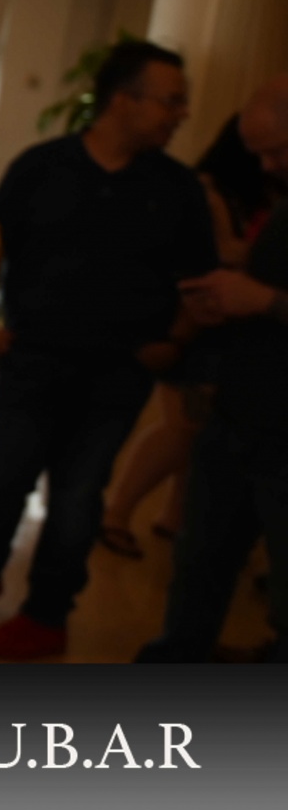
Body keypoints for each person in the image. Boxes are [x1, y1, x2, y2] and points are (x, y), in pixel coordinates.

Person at [0, 40, 219, 660]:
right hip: (32, 359)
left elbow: (201, 282)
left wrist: (174, 342)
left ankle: (46, 615)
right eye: (170, 101)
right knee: (3, 479)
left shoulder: (178, 189)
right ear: (123, 99)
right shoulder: (42, 167)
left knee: (78, 496)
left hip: (119, 374)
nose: (181, 114)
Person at [138, 76, 288, 662]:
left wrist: (264, 301)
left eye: (277, 152)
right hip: (241, 412)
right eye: (260, 155)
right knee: (200, 558)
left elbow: (271, 298)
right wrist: (226, 303)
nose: (269, 167)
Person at [98, 112, 285, 557]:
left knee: (197, 432)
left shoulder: (252, 195)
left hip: (225, 330)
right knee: (183, 428)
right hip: (198, 327)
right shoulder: (207, 192)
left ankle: (172, 516)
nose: (269, 164)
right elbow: (210, 255)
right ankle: (117, 513)